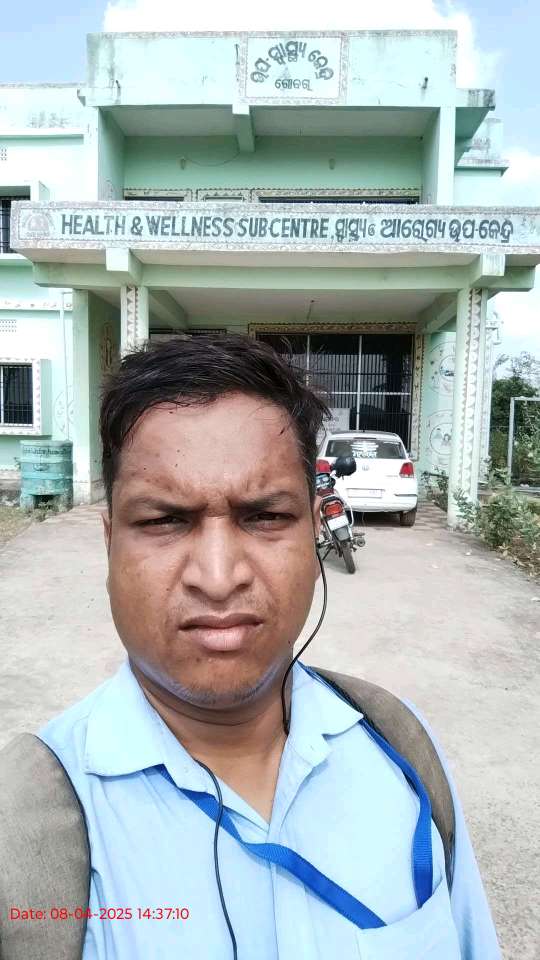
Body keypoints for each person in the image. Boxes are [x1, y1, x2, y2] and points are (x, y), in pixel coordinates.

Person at [34, 334, 499, 958]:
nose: (218, 577)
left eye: (265, 517)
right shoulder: (29, 824)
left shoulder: (399, 750)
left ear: (314, 531)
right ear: (110, 541)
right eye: (165, 520)